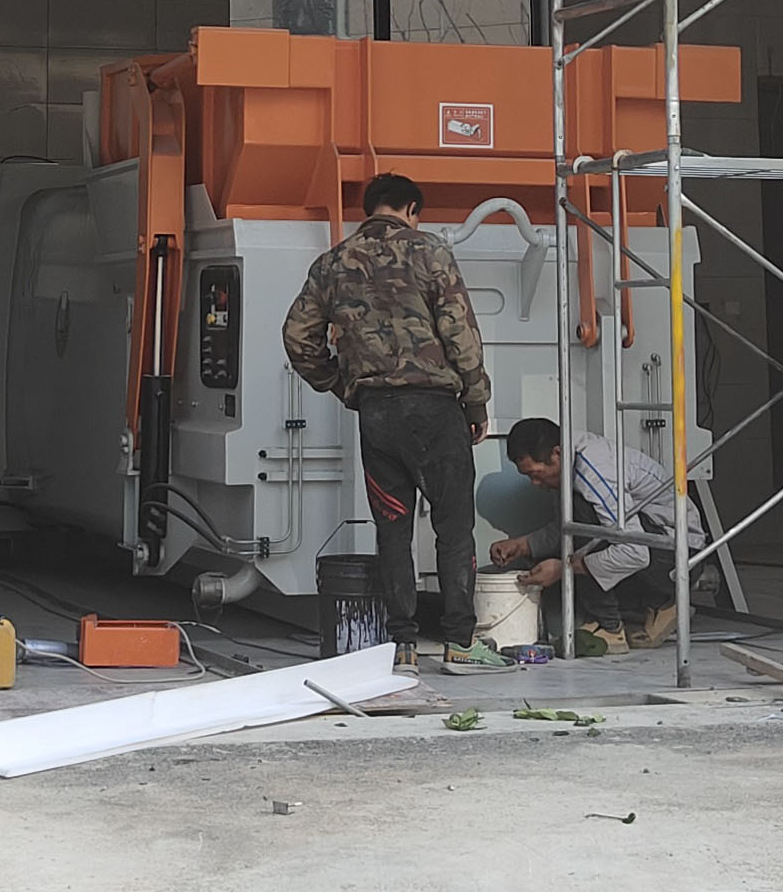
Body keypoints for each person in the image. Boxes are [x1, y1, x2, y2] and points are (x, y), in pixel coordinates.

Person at [283, 172, 507, 671]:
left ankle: (401, 644)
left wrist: (343, 385)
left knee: (392, 529)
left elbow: (297, 336)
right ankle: (459, 643)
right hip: (435, 410)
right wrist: (476, 404)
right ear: (411, 210)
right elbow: (460, 335)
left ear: (370, 208)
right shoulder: (430, 252)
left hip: (377, 413)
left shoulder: (333, 262)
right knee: (454, 528)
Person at [491, 415, 681, 650]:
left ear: (557, 453)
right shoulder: (568, 462)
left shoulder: (593, 472)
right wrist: (522, 545)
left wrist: (564, 569)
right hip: (651, 545)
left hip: (677, 555)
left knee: (580, 516)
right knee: (557, 544)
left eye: (536, 474)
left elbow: (634, 552)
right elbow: (563, 527)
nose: (534, 484)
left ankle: (612, 625)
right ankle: (638, 608)